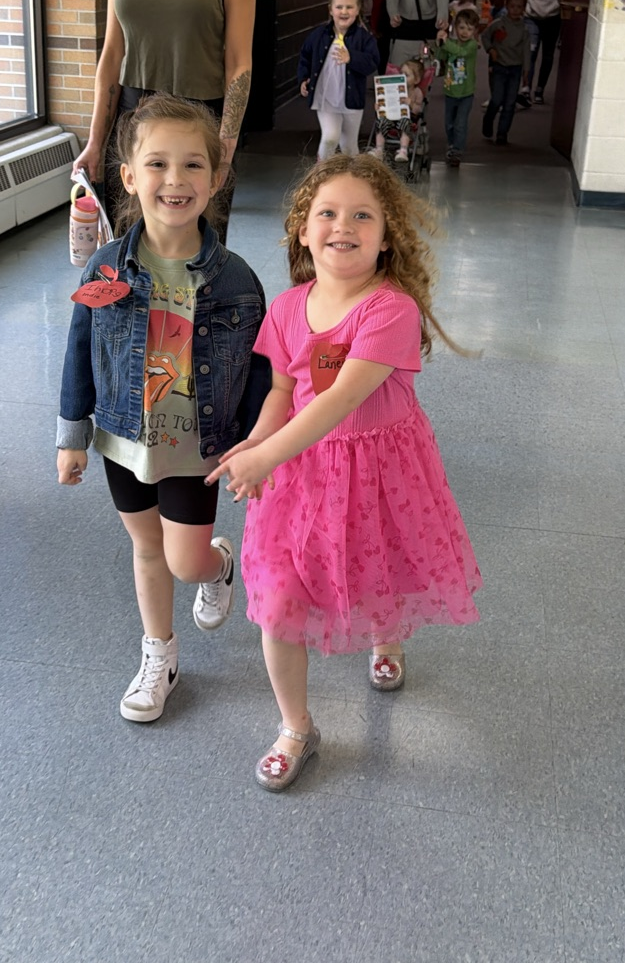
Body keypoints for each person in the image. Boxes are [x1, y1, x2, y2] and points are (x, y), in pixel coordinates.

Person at [207, 155, 482, 791]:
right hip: (299, 472)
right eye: (327, 213)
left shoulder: (391, 310)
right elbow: (283, 391)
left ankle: (387, 640)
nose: (344, 225)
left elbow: (338, 400)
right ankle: (297, 726)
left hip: (379, 468)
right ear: (303, 231)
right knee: (276, 597)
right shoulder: (286, 308)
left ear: (388, 236)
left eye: (363, 215)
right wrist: (254, 444)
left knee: (375, 563)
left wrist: (268, 453)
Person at [57, 94, 270, 724]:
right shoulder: (106, 265)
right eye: (157, 164)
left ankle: (220, 564)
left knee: (184, 559)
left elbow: (259, 369)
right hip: (124, 437)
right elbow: (79, 348)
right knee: (146, 547)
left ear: (216, 176)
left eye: (192, 166)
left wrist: (256, 446)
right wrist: (72, 433)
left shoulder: (236, 280)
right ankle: (160, 655)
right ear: (128, 176)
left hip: (198, 445)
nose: (174, 181)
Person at [71, 0, 256, 245]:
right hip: (133, 122)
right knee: (127, 249)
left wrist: (225, 148)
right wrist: (95, 142)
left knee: (196, 253)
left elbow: (238, 62)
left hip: (200, 123)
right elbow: (112, 52)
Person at [298, 0, 380, 162]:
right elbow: (305, 55)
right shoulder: (318, 35)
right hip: (325, 97)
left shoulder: (364, 38)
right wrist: (303, 78)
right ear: (330, 9)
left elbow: (373, 62)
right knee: (330, 137)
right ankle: (322, 173)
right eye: (339, 7)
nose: (344, 11)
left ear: (358, 9)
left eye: (349, 7)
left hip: (351, 100)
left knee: (349, 146)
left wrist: (351, 58)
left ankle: (351, 178)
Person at [481, 0, 530, 145]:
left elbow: (526, 51)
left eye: (519, 7)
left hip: (515, 68)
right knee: (496, 99)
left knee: (509, 103)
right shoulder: (498, 24)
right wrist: (491, 49)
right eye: (512, 6)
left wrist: (526, 71)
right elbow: (485, 36)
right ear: (507, 6)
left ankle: (502, 133)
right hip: (499, 67)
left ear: (524, 8)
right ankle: (488, 119)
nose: (515, 10)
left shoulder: (524, 29)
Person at [436, 8, 480, 166]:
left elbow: (460, 52)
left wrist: (446, 43)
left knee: (460, 123)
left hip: (466, 93)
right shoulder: (451, 44)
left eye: (469, 29)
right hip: (450, 91)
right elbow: (441, 56)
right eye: (461, 27)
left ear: (475, 31)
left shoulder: (472, 46)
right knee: (449, 123)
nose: (465, 32)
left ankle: (457, 151)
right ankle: (452, 143)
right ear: (455, 28)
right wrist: (440, 43)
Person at [522, 0, 570, 105]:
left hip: (553, 15)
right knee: (530, 53)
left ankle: (539, 89)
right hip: (532, 15)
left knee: (548, 55)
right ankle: (526, 88)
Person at [385, 0, 449, 69]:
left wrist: (442, 18)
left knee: (425, 74)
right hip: (404, 26)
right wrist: (393, 13)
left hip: (427, 29)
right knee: (399, 73)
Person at [371, 58, 425, 163]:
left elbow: (419, 109)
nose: (402, 76)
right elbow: (385, 101)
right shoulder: (392, 87)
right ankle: (379, 149)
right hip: (391, 117)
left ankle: (403, 150)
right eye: (401, 73)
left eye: (406, 75)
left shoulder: (417, 92)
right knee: (381, 122)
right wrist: (379, 106)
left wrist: (411, 104)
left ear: (416, 80)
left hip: (407, 120)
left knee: (405, 123)